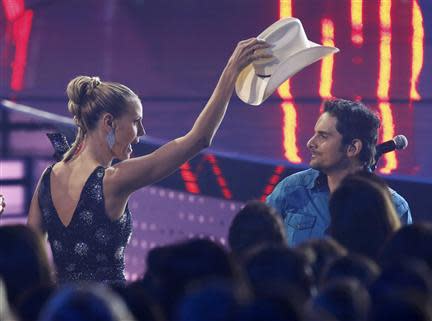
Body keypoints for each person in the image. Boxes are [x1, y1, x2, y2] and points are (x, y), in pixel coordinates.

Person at [27, 38, 272, 284]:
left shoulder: (48, 178)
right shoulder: (113, 180)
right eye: (135, 121)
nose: (142, 131)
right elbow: (198, 139)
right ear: (109, 122)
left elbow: (28, 255)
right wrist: (230, 72)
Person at [266, 99, 411, 247]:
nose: (310, 143)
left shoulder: (394, 208)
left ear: (353, 148)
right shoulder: (291, 189)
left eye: (323, 136)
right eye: (315, 133)